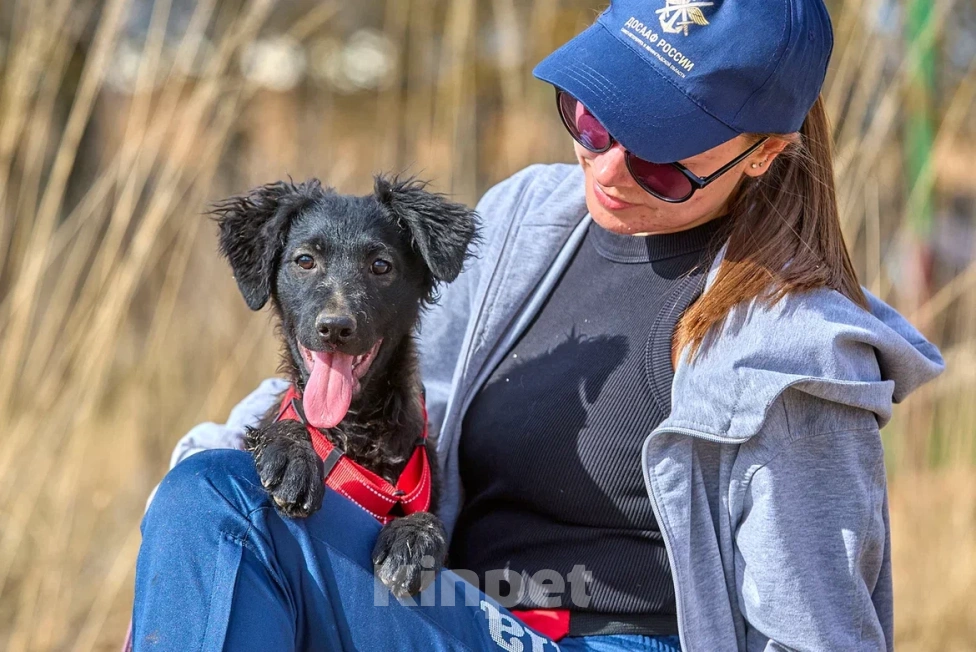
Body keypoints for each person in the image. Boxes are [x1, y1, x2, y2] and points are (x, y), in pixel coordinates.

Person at [131, 1, 944, 650]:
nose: (609, 166)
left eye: (661, 157)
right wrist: (203, 491)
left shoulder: (792, 351)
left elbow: (815, 633)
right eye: (595, 118)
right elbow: (383, 386)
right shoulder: (528, 221)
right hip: (451, 608)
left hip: (607, 638)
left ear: (763, 153)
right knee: (212, 492)